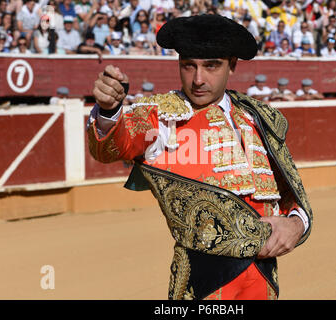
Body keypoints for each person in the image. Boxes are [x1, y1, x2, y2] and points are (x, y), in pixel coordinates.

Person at [88, 14, 312, 301]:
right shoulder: (163, 116)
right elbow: (114, 146)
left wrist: (296, 224)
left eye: (211, 66)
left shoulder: (256, 117)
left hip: (263, 275)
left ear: (232, 65)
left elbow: (290, 192)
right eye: (188, 65)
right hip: (204, 279)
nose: (197, 79)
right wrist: (109, 112)